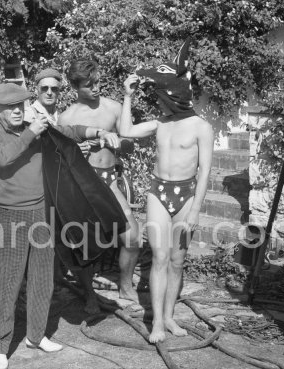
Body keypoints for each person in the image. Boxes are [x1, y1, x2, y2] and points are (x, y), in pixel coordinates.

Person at [0, 83, 120, 369]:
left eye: (21, 105)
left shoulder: (38, 129)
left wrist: (100, 132)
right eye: (10, 107)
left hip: (42, 213)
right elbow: (3, 158)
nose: (17, 111)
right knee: (7, 282)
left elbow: (69, 131)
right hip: (7, 216)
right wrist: (32, 132)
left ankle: (35, 335)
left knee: (43, 278)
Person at [118, 39, 213, 343]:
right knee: (159, 256)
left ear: (172, 96)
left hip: (187, 195)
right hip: (159, 191)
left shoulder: (201, 127)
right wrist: (127, 97)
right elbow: (125, 131)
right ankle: (156, 322)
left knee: (177, 260)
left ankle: (170, 317)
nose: (157, 102)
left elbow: (205, 172)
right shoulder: (159, 123)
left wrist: (197, 208)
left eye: (159, 96)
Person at [58, 60, 141, 314]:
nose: (96, 88)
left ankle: (126, 287)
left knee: (132, 236)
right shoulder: (67, 117)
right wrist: (79, 150)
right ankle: (89, 295)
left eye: (98, 82)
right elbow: (61, 158)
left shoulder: (114, 108)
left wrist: (114, 144)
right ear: (75, 86)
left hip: (108, 179)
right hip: (83, 183)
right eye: (89, 85)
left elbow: (131, 144)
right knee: (84, 244)